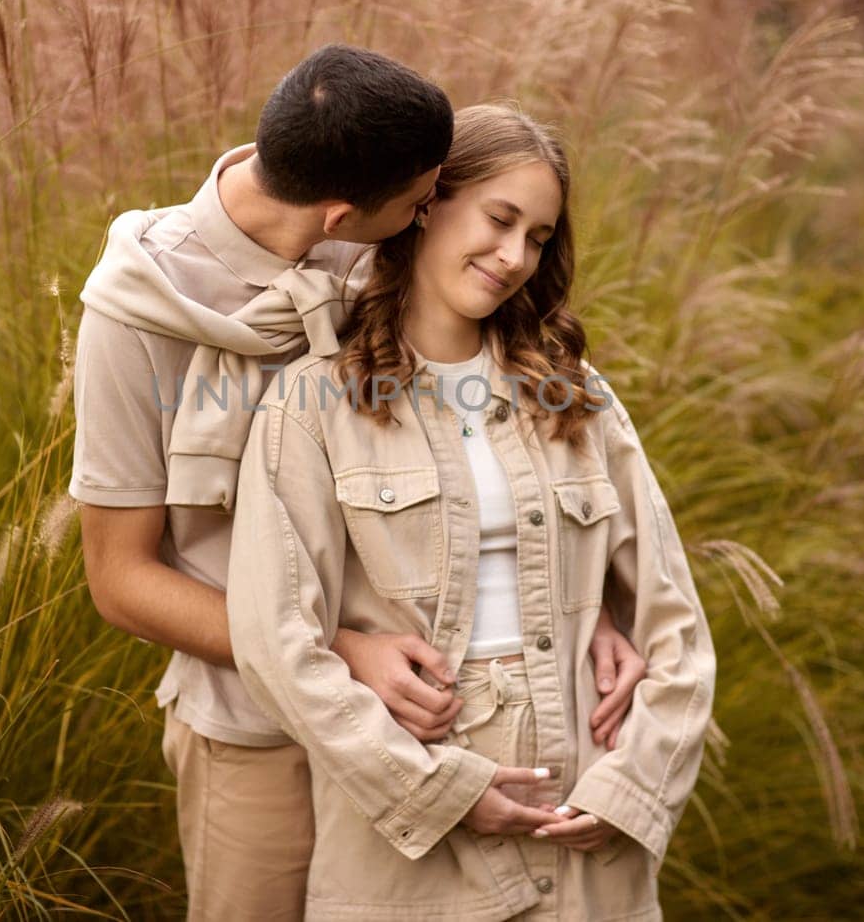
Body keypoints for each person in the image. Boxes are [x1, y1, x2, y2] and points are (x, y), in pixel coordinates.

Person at [71, 49, 651, 920]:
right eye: (425, 203)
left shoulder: (373, 215)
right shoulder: (136, 313)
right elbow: (119, 579)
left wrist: (586, 607)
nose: (433, 215)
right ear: (344, 213)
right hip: (256, 732)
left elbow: (501, 444)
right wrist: (336, 649)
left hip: (431, 722)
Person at [227, 105, 716, 920]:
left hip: (585, 817)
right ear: (427, 202)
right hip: (407, 837)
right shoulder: (315, 403)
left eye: (539, 236)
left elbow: (676, 627)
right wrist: (438, 792)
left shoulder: (578, 399)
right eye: (500, 218)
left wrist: (634, 790)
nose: (515, 256)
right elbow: (276, 642)